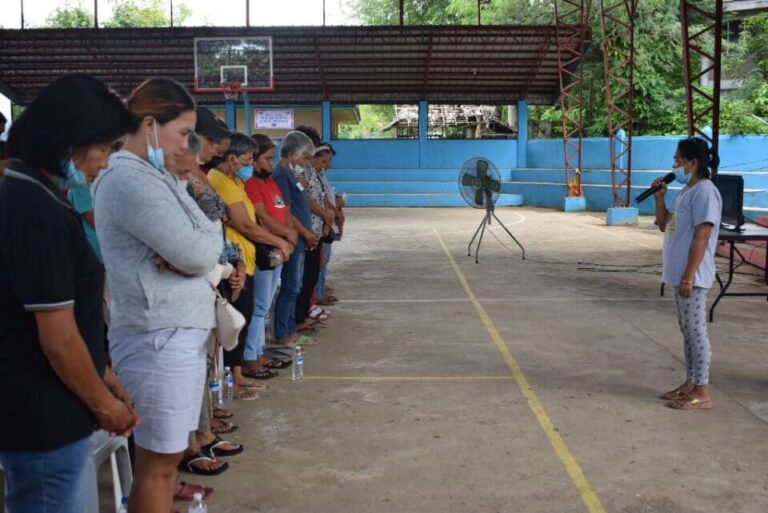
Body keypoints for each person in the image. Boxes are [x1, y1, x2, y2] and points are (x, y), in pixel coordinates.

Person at [0, 74, 138, 513]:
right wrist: (105, 406)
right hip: (42, 414)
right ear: (70, 140)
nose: (104, 162)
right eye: (103, 149)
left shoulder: (42, 196)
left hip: (56, 407)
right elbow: (57, 337)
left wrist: (103, 374)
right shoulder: (34, 209)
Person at [93, 77, 223, 513]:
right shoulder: (129, 179)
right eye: (184, 133)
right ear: (150, 124)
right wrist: (199, 249)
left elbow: (203, 244)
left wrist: (198, 234)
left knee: (165, 462)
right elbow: (199, 251)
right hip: (156, 336)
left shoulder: (158, 177)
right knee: (158, 463)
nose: (188, 145)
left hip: (171, 334)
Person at [208, 133, 293, 388]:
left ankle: (241, 367)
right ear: (231, 157)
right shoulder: (219, 180)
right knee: (238, 318)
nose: (249, 166)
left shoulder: (234, 181)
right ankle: (239, 369)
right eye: (246, 161)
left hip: (245, 258)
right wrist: (279, 241)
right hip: (233, 261)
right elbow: (245, 224)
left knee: (247, 314)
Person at [654, 136, 722, 411]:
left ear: (693, 163)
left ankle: (703, 390)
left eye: (678, 160)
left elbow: (702, 237)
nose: (674, 165)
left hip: (692, 276)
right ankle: (690, 382)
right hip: (678, 273)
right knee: (686, 330)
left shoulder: (705, 192)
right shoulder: (685, 192)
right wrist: (660, 198)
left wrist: (689, 276)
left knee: (695, 330)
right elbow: (664, 226)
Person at [241, 134, 298, 376]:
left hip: (280, 249)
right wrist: (285, 235)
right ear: (252, 161)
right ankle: (250, 357)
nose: (270, 163)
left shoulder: (271, 184)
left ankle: (259, 353)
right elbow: (262, 217)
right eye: (266, 159)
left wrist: (290, 235)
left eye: (272, 158)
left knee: (265, 305)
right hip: (266, 250)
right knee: (260, 306)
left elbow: (283, 211)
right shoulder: (252, 184)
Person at [272, 131, 318, 347]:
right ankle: (283, 332)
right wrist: (306, 233)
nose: (307, 162)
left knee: (295, 286)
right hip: (293, 240)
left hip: (300, 242)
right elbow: (286, 213)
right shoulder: (280, 175)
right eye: (305, 157)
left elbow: (303, 196)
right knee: (290, 287)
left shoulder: (292, 175)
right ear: (291, 154)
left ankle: (290, 328)